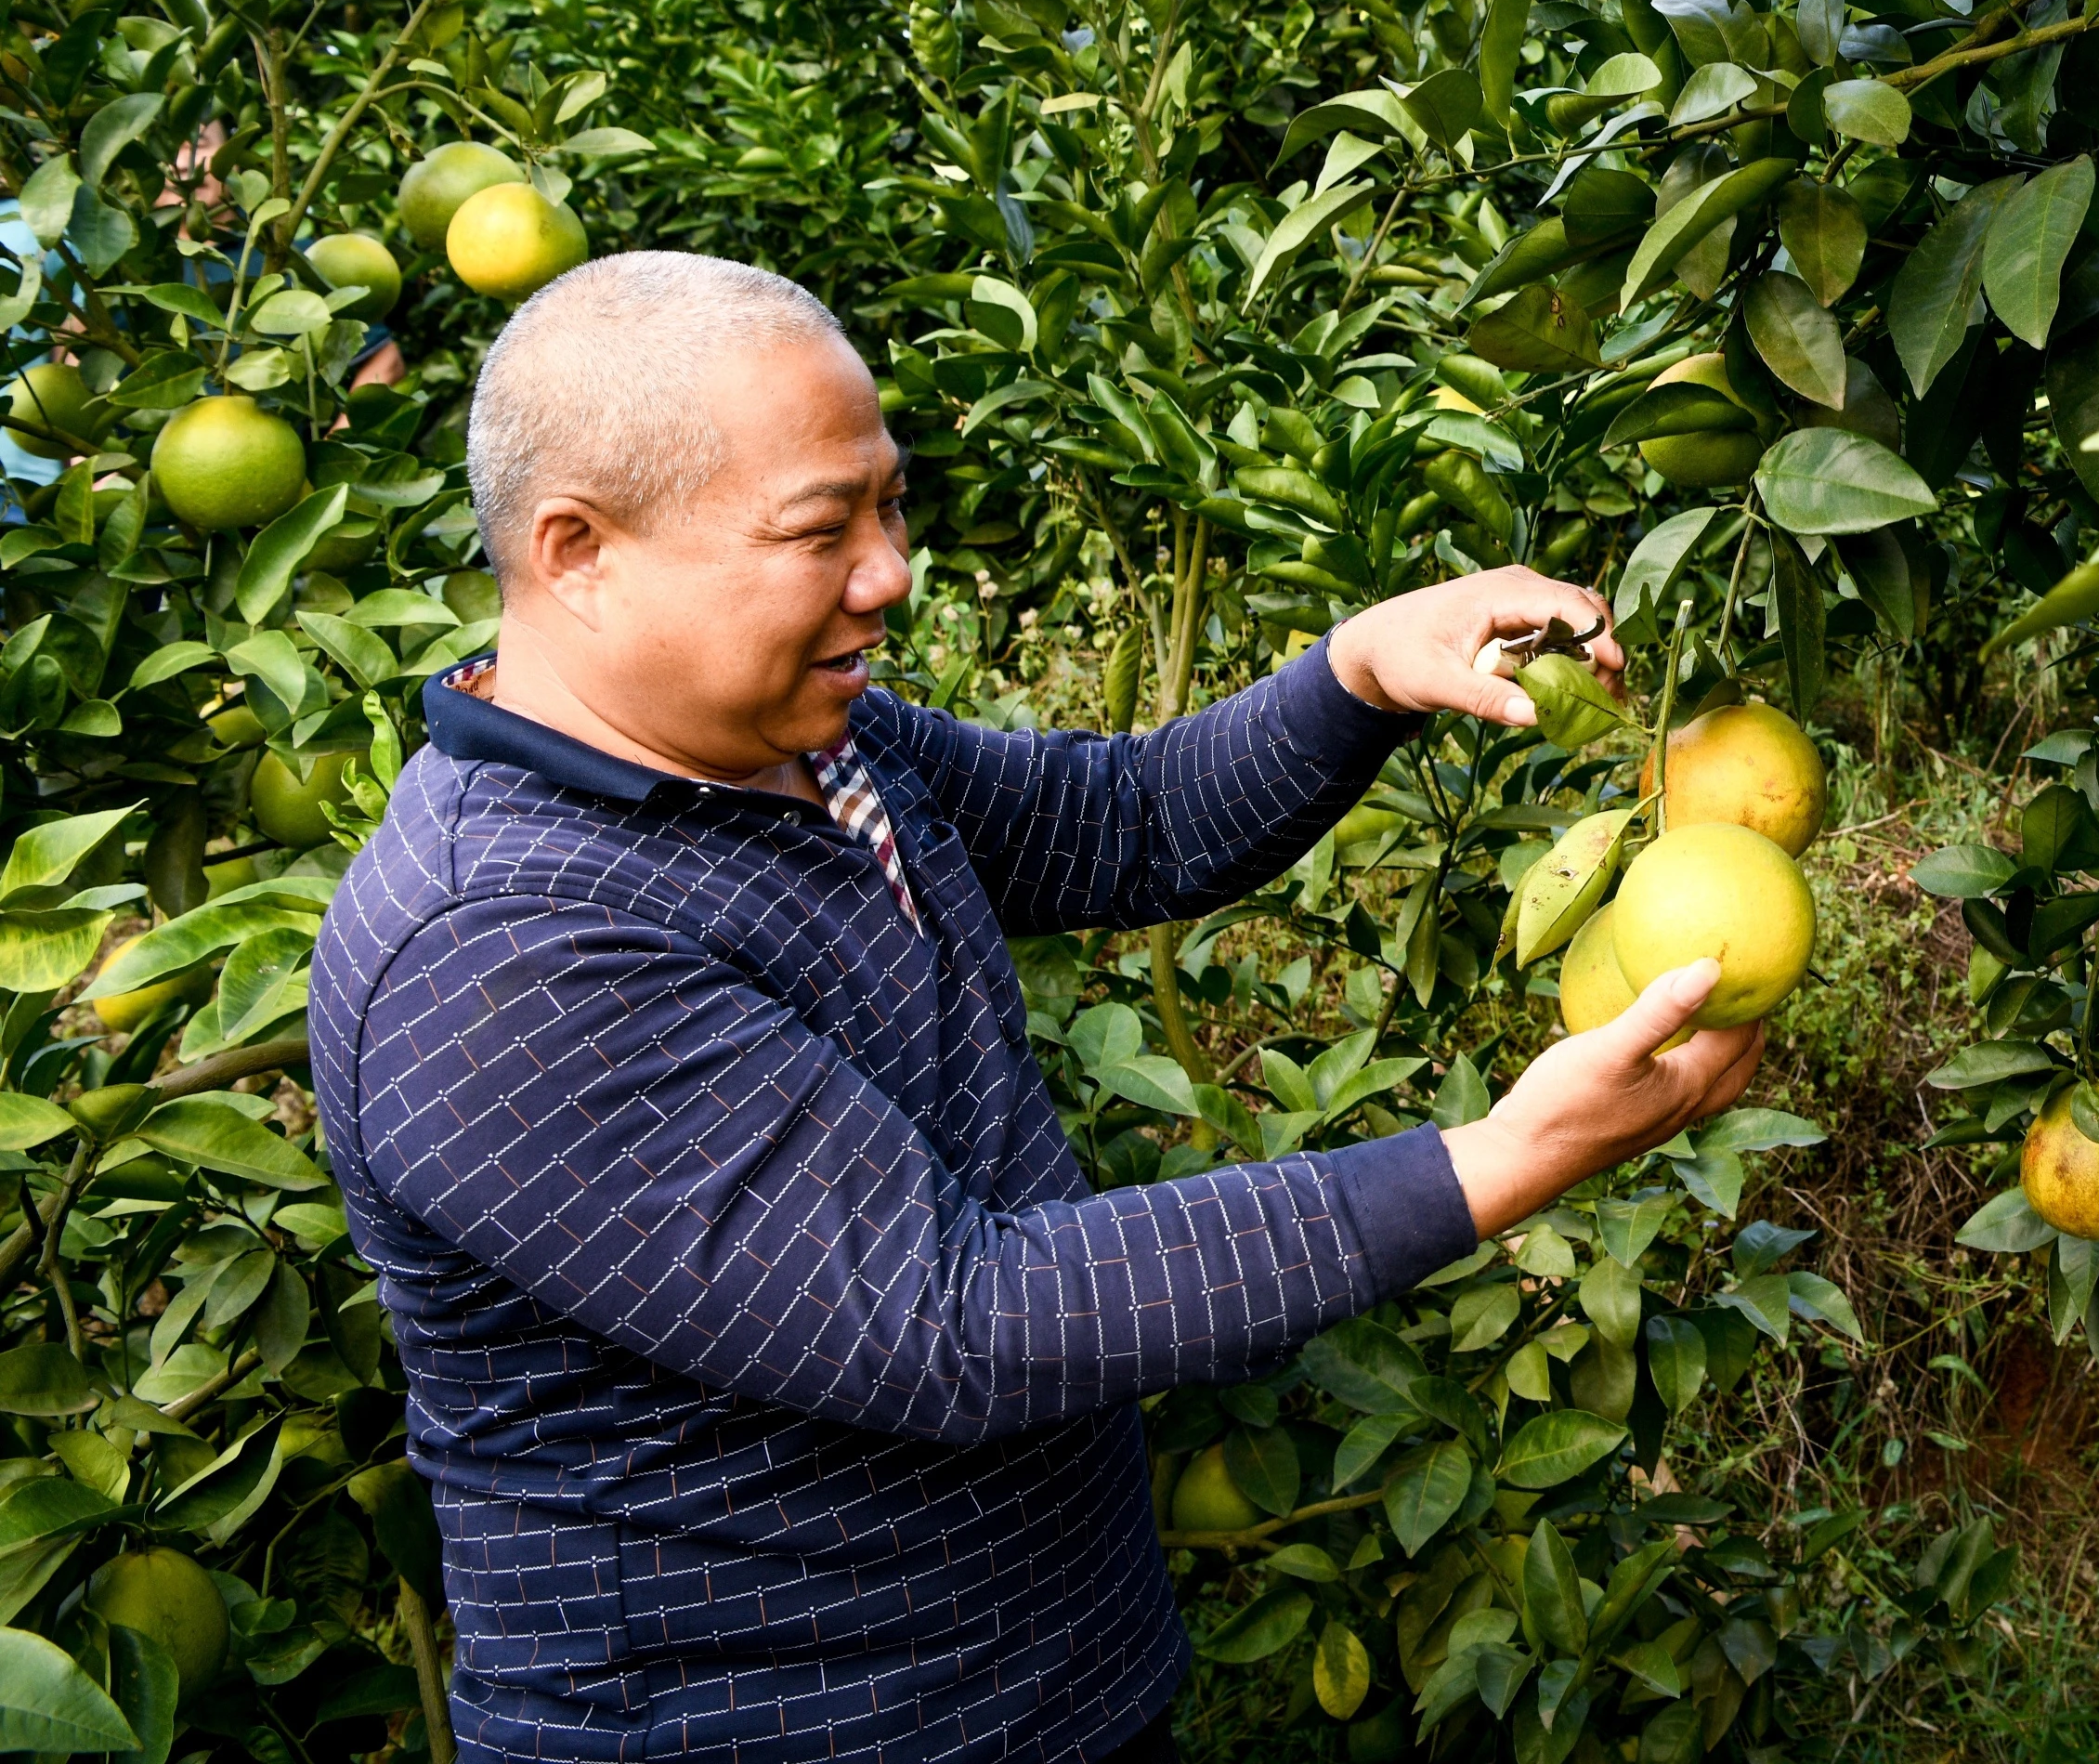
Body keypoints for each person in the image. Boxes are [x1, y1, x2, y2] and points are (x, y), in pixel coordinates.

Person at [310, 252, 1762, 1764]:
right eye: (822, 529)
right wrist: (1492, 1166)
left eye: (888, 505)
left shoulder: (797, 740)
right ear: (579, 551)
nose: (888, 573)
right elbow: (955, 1316)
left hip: (1046, 1692)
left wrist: (1359, 674)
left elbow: (1124, 822)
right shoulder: (493, 956)